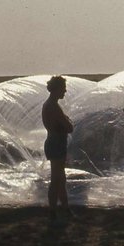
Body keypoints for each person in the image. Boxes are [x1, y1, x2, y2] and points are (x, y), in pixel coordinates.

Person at [42, 74, 75, 221]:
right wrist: (67, 121)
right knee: (56, 179)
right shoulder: (53, 106)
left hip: (55, 143)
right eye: (63, 89)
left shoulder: (50, 105)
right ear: (56, 89)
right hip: (56, 144)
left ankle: (65, 208)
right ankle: (53, 211)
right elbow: (69, 127)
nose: (65, 92)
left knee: (61, 178)